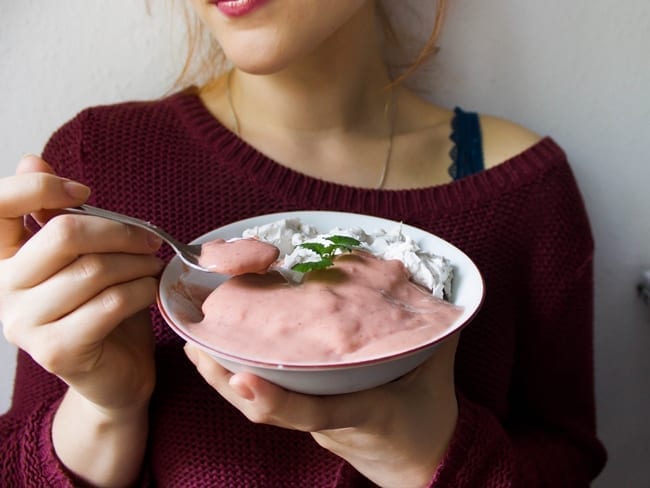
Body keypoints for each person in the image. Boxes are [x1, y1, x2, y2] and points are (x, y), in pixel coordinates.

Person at [0, 1, 607, 486]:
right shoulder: (100, 164)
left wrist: (426, 458)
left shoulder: (523, 192)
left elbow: (568, 461)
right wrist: (107, 411)